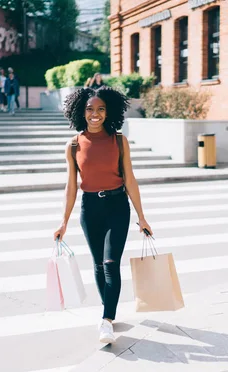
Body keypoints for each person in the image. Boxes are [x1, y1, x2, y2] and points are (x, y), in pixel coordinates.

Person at [53, 87, 153, 344]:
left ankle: (106, 320)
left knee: (110, 263)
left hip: (117, 206)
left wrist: (141, 216)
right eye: (89, 109)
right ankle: (107, 309)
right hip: (90, 209)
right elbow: (71, 186)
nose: (95, 115)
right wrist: (63, 222)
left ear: (108, 112)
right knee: (98, 264)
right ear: (81, 112)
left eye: (100, 109)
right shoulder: (74, 145)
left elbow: (129, 178)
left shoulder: (118, 140)